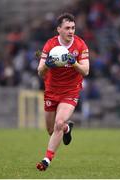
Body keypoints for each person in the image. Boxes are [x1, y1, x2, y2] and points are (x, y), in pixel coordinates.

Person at [36, 12, 90, 171]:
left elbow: (86, 71)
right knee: (52, 129)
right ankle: (67, 128)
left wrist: (74, 63)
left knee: (59, 122)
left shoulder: (80, 45)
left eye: (73, 28)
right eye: (67, 28)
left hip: (70, 91)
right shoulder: (50, 45)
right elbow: (40, 71)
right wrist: (48, 65)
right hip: (51, 90)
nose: (71, 31)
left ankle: (46, 160)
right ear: (58, 29)